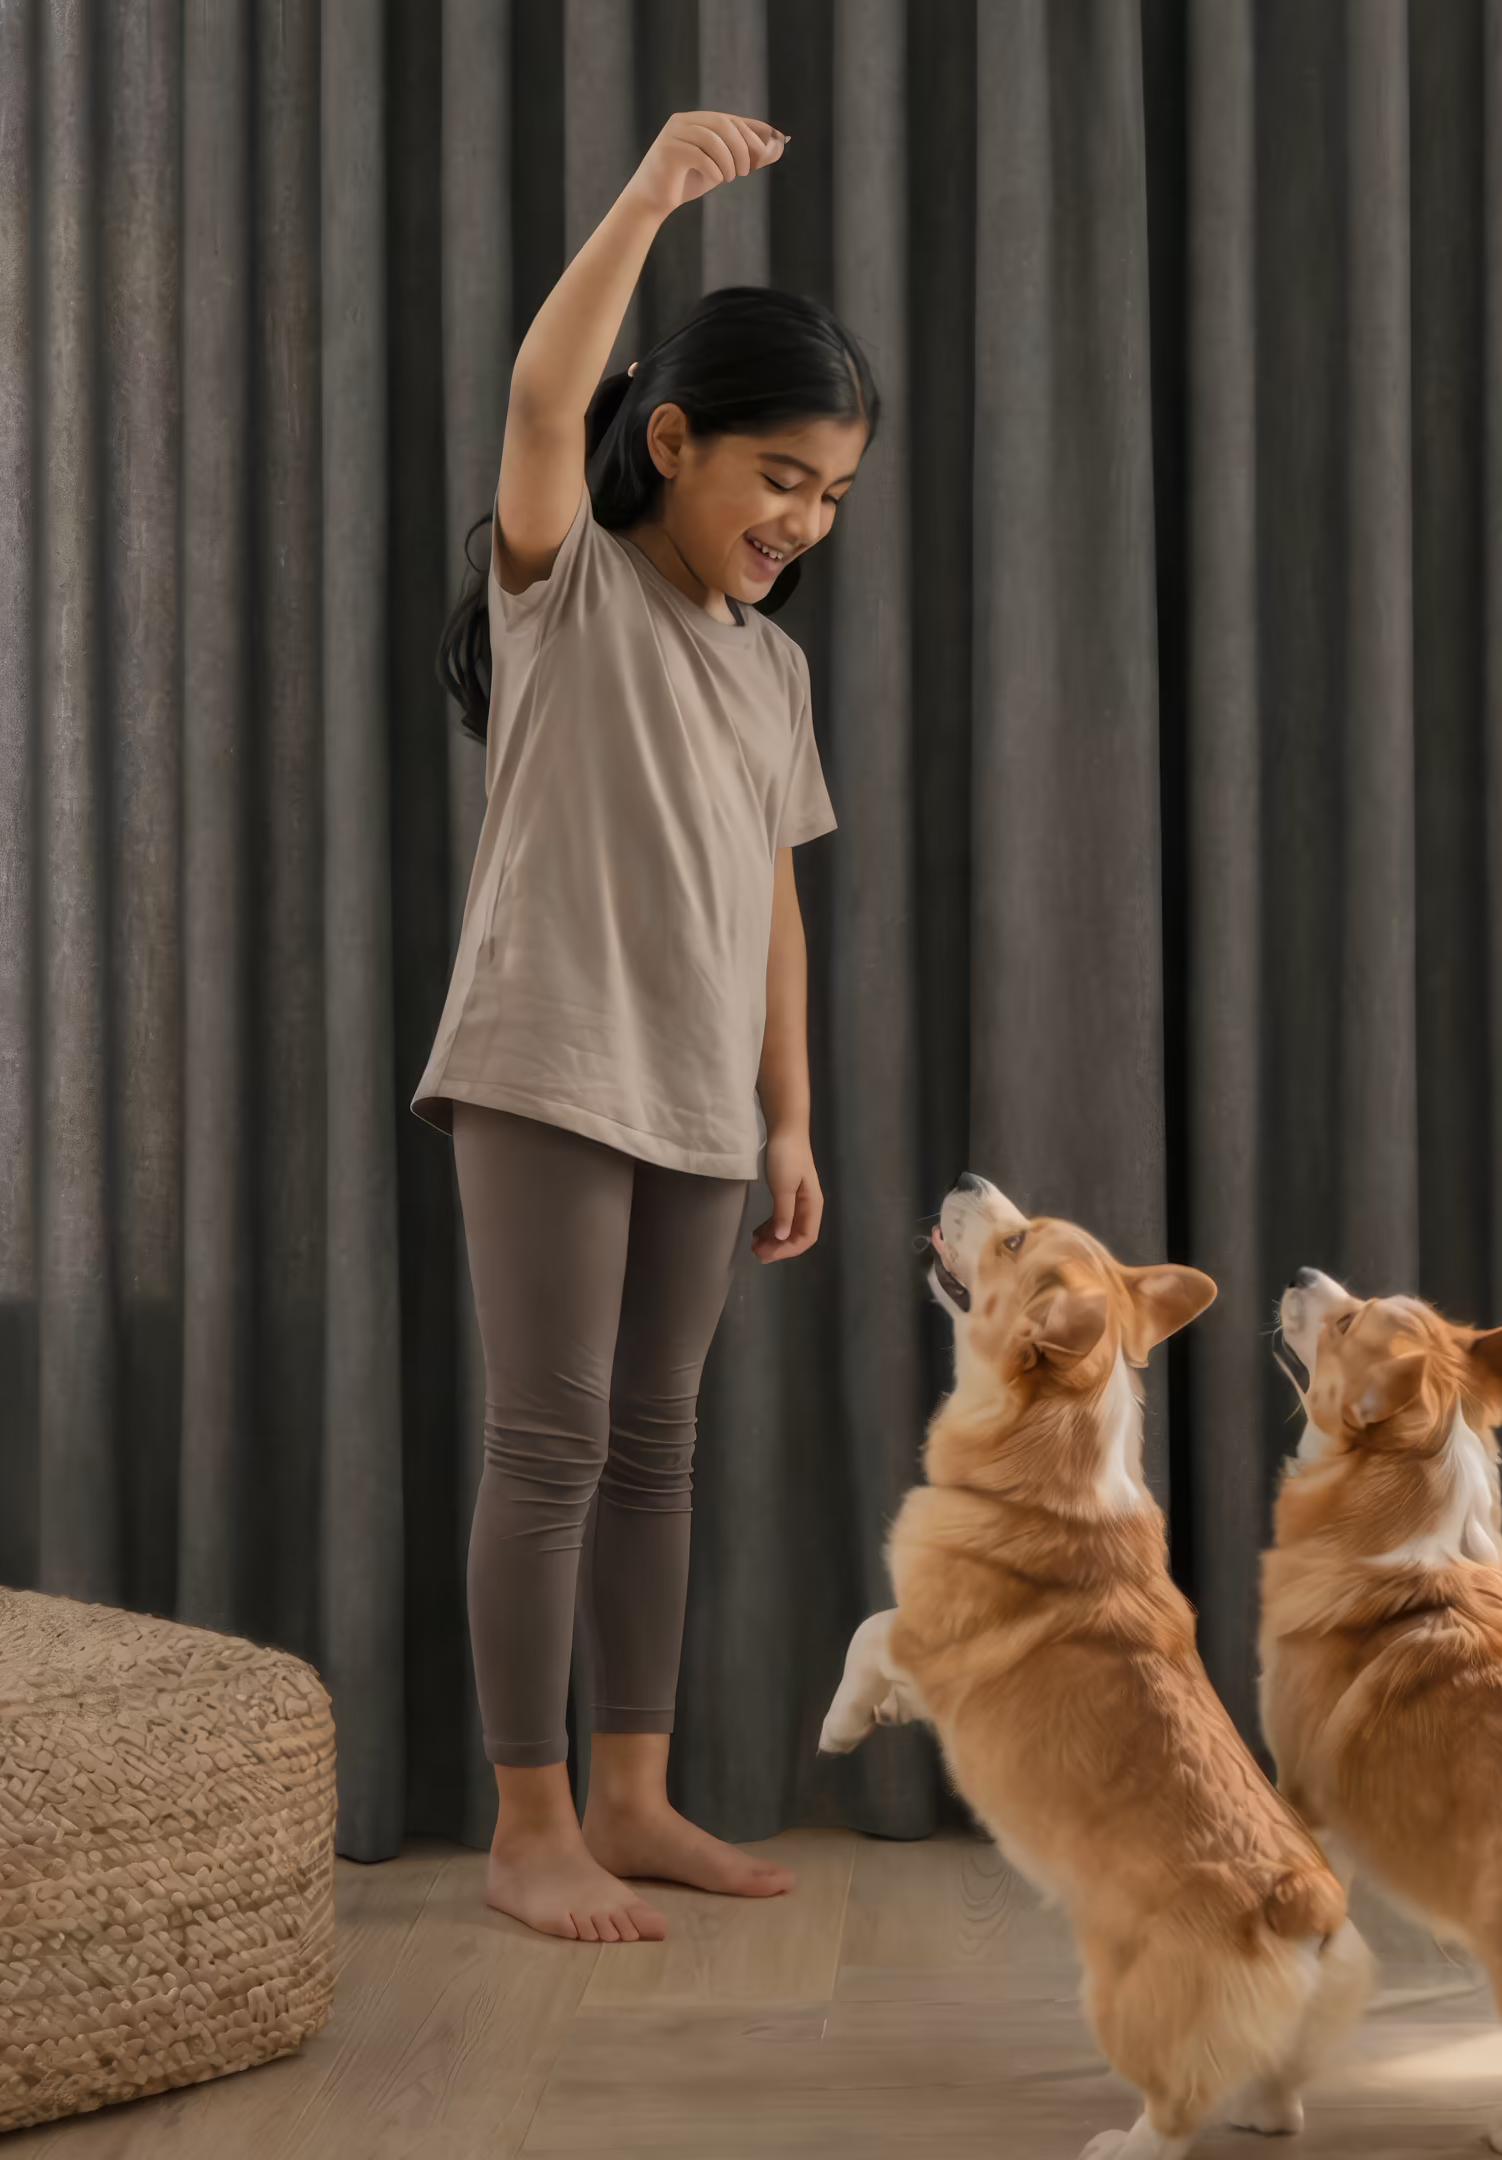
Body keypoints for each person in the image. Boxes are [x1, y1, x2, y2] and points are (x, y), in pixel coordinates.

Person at [420, 110, 872, 1945]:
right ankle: (531, 1824)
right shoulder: (572, 592)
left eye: (832, 496)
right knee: (550, 1443)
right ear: (671, 439)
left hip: (698, 1097)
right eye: (779, 474)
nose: (800, 522)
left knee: (659, 1448)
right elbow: (545, 399)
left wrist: (792, 1117)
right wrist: (648, 198)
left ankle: (631, 1792)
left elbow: (772, 894)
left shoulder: (774, 667)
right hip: (542, 1066)